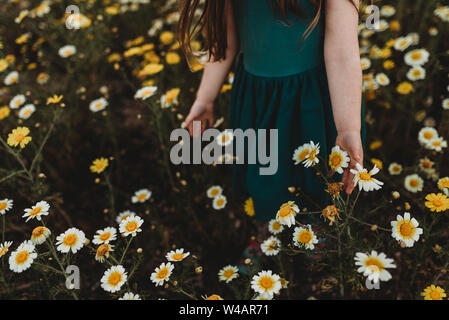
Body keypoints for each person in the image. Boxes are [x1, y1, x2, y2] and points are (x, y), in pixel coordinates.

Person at [178, 0, 366, 223]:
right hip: (259, 100)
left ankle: (319, 234)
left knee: (318, 175)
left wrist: (348, 128)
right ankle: (270, 231)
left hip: (314, 99)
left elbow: (342, 55)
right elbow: (224, 43)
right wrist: (204, 99)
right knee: (264, 172)